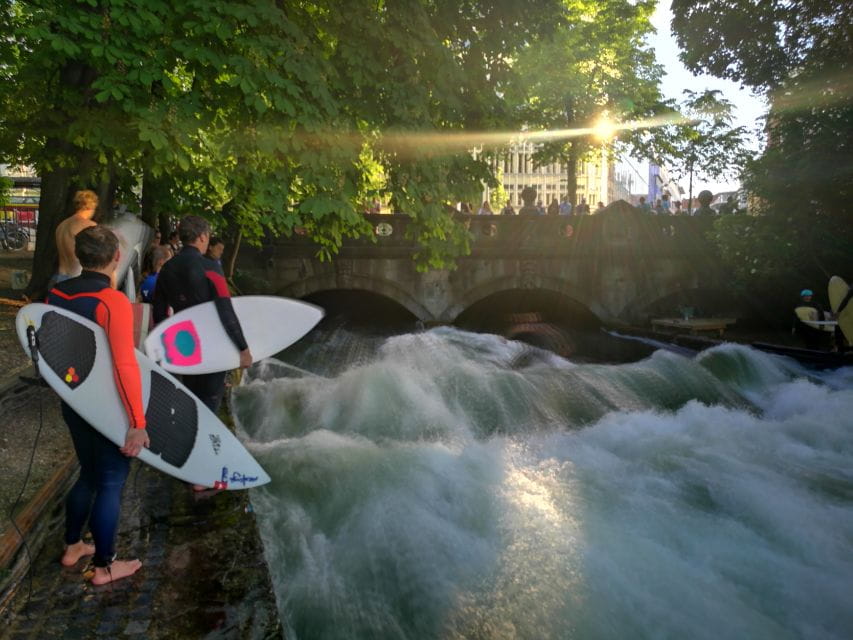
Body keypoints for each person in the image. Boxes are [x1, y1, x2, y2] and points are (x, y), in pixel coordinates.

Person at [47, 226, 149, 585]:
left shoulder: (57, 293)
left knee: (88, 474)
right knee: (110, 481)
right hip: (106, 407)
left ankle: (74, 545)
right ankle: (106, 567)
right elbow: (124, 364)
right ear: (117, 257)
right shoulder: (112, 302)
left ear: (78, 255)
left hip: (74, 400)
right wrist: (138, 420)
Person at [153, 215, 252, 414]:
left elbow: (159, 312)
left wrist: (166, 347)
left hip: (183, 344)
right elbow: (225, 310)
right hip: (211, 345)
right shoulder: (211, 267)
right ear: (202, 236)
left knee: (187, 402)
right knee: (207, 406)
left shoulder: (167, 269)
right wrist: (243, 348)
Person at [54, 190, 98, 284]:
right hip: (77, 279)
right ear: (91, 205)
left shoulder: (62, 225)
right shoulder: (88, 225)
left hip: (60, 277)